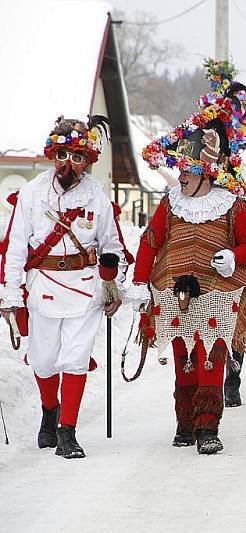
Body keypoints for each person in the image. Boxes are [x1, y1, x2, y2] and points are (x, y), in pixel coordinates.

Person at [131, 71, 246, 454]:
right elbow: (151, 241)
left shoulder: (231, 204)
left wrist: (232, 256)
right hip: (174, 294)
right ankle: (184, 424)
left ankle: (208, 428)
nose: (181, 176)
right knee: (183, 359)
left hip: (218, 294)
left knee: (210, 359)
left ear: (205, 174)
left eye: (187, 172)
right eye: (181, 171)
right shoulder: (172, 202)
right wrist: (140, 283)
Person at [0, 116, 130, 459]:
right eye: (61, 155)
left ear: (86, 160)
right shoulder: (31, 194)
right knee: (43, 360)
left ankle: (67, 432)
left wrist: (111, 278)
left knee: (74, 357)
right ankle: (49, 411)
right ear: (52, 155)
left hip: (85, 286)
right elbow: (15, 248)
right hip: (42, 284)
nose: (67, 164)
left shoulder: (96, 198)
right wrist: (10, 293)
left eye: (75, 157)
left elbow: (113, 245)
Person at [199, 60, 246, 409]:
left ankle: (233, 374)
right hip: (205, 257)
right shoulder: (201, 174)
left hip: (240, 259)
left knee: (237, 318)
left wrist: (239, 243)